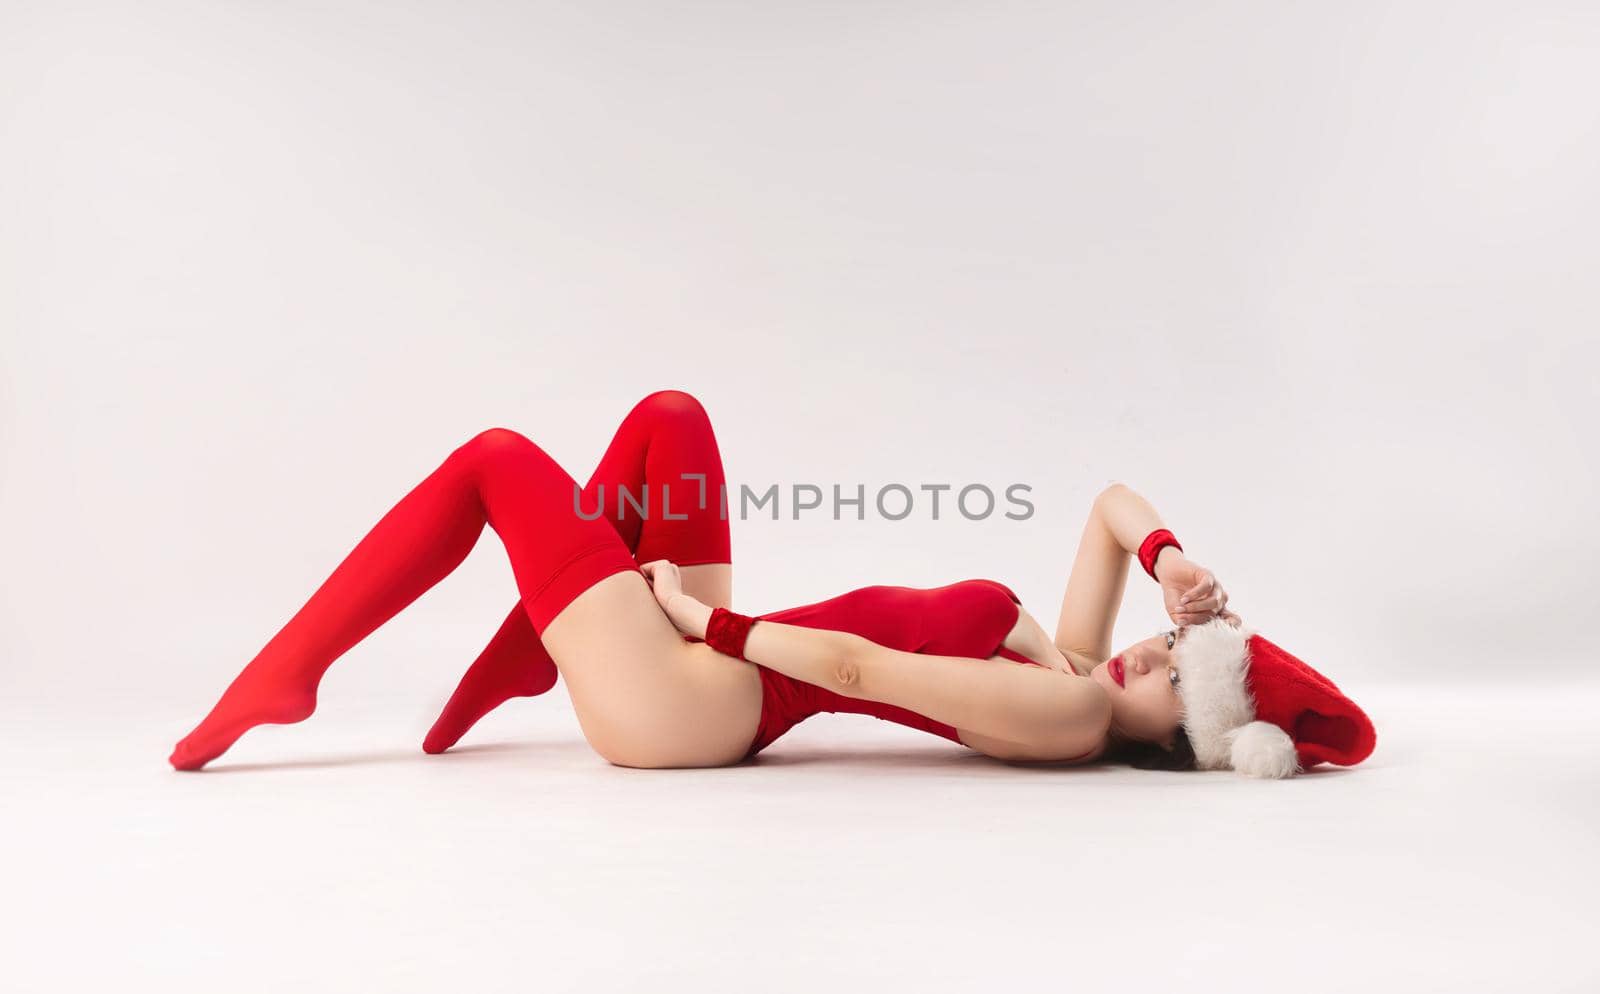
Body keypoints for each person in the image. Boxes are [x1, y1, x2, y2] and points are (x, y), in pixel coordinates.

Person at [169, 390, 1375, 777]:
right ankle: (538, 642)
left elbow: (861, 669)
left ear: (1184, 744)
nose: (1156, 659)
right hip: (710, 664)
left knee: (494, 464)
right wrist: (1174, 565)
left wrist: (702, 619)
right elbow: (1112, 505)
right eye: (1179, 648)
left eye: (1183, 687)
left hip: (692, 699)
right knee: (669, 421)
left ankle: (288, 673)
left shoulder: (1066, 716)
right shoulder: (1071, 660)